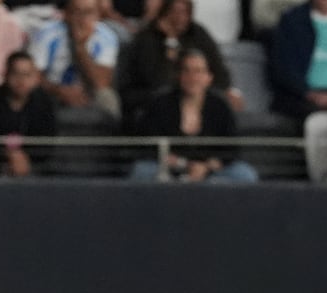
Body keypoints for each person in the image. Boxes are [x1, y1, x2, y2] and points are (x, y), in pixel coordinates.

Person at [130, 49, 257, 182]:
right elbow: (149, 144)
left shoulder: (220, 106)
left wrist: (206, 167)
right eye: (187, 71)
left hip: (210, 171)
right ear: (179, 75)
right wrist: (183, 164)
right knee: (142, 170)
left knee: (244, 174)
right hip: (170, 168)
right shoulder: (161, 103)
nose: (192, 78)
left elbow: (232, 149)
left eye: (198, 71)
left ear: (209, 77)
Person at [118, 0, 237, 122]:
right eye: (175, 12)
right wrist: (170, 42)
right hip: (150, 101)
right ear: (165, 12)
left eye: (185, 12)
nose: (181, 18)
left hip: (197, 101)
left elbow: (220, 74)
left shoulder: (197, 35)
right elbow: (157, 81)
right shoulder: (146, 39)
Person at [30, 0, 122, 119]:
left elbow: (101, 83)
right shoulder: (46, 32)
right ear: (66, 14)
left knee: (107, 98)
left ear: (98, 15)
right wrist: (60, 91)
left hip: (89, 92)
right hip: (52, 89)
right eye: (77, 12)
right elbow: (34, 75)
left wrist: (80, 47)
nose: (82, 18)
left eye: (88, 12)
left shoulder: (107, 37)